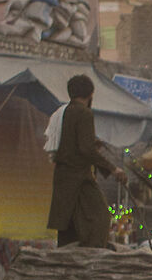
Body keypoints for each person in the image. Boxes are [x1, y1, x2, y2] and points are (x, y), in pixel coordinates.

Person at [44, 74, 120, 248]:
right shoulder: (84, 113)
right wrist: (113, 169)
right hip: (79, 177)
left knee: (68, 225)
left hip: (63, 178)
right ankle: (91, 256)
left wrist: (92, 142)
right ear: (90, 94)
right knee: (100, 216)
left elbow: (72, 143)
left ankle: (68, 262)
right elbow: (85, 149)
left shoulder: (63, 113)